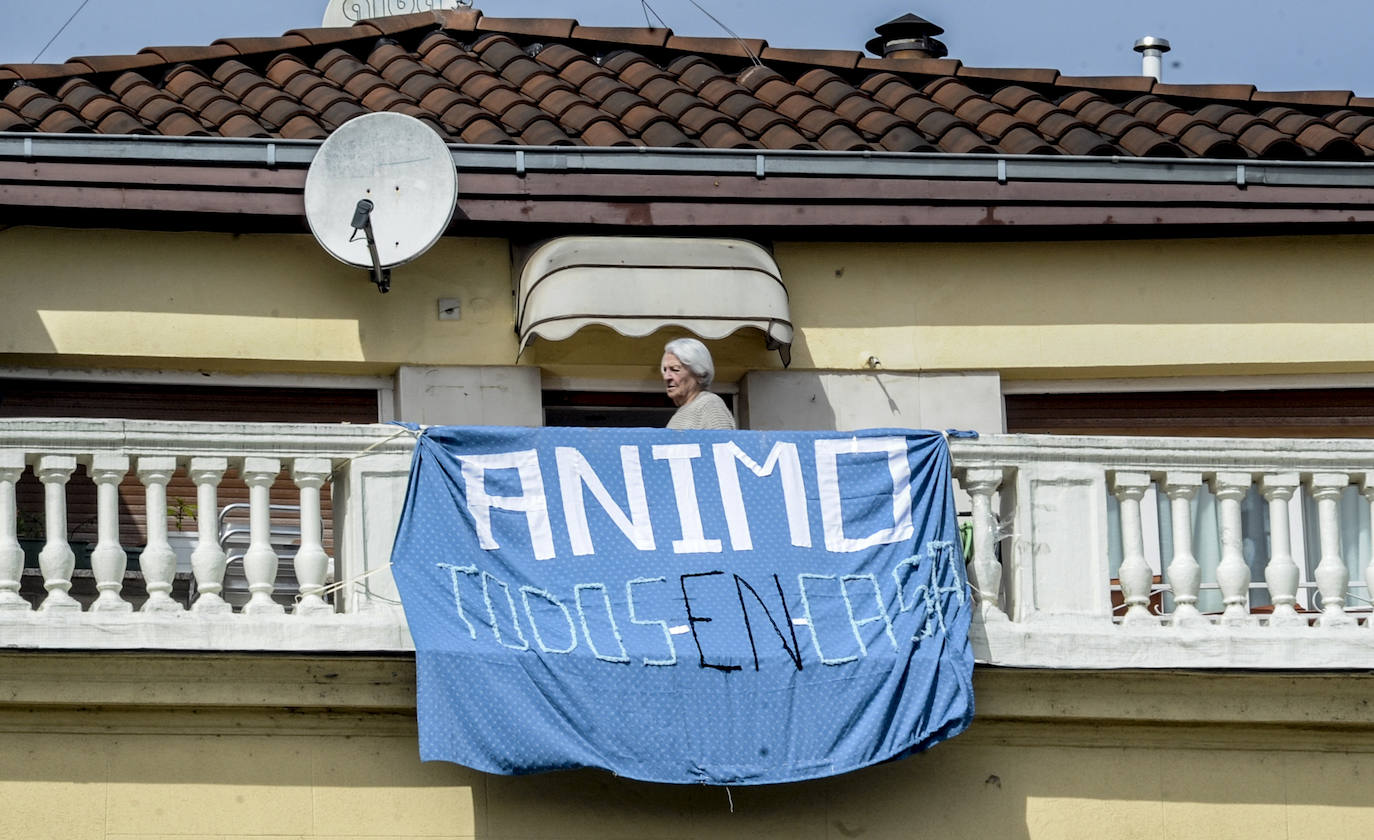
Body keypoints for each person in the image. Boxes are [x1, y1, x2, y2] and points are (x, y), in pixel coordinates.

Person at [661, 338, 736, 430]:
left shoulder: (709, 405)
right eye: (665, 370)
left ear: (700, 374)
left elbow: (724, 442)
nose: (666, 377)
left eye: (675, 369)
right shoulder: (682, 413)